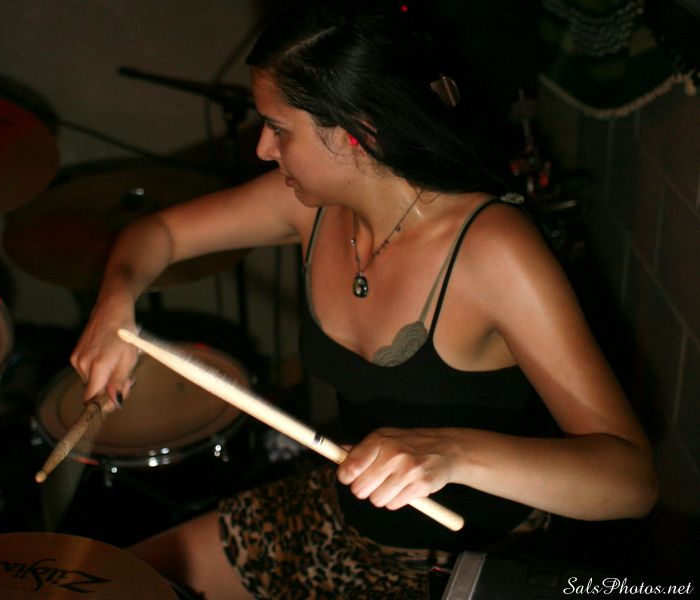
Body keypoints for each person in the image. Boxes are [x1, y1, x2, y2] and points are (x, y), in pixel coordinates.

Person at [70, 1, 658, 597]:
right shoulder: (308, 208)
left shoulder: (492, 251)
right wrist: (113, 303)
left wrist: (453, 452)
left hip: (463, 562)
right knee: (108, 584)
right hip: (342, 520)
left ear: (359, 130)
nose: (263, 149)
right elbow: (159, 234)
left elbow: (631, 481)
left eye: (280, 129)